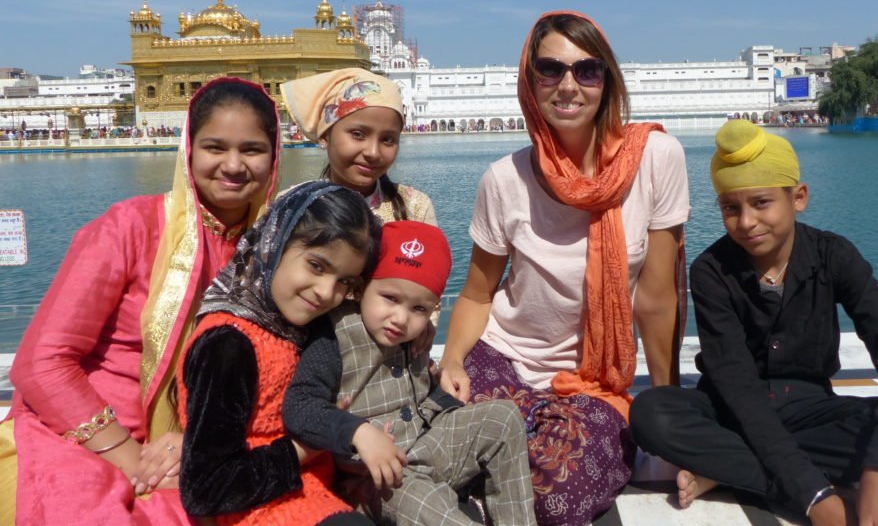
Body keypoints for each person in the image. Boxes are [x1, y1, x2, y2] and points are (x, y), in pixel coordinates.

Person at [438, 11, 690, 525]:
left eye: (587, 70)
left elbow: (658, 299)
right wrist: (453, 364)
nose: (569, 85)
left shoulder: (656, 158)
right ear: (530, 84)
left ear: (607, 80)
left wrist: (669, 412)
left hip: (592, 380)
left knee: (555, 495)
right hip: (503, 359)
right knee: (438, 456)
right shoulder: (503, 179)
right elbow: (479, 294)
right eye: (550, 70)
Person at [630, 119, 878, 525]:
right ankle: (785, 477)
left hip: (809, 407)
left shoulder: (834, 255)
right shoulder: (712, 271)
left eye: (761, 203)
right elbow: (736, 383)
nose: (746, 222)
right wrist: (814, 498)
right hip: (731, 410)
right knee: (652, 415)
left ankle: (728, 472)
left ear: (799, 197)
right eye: (731, 208)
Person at [1, 78, 280, 525]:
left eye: (251, 149)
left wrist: (193, 447)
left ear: (274, 155)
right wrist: (133, 461)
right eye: (215, 147)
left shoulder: (275, 250)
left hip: (199, 445)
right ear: (188, 148)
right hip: (89, 436)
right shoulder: (130, 227)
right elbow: (42, 363)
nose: (233, 165)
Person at [284, 220, 537, 526]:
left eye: (419, 308)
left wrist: (446, 403)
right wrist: (356, 431)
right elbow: (300, 405)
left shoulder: (413, 336)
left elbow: (421, 393)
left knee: (504, 416)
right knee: (435, 510)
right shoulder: (333, 334)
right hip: (379, 480)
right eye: (390, 298)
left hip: (426, 444)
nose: (400, 319)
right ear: (362, 287)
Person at [175, 181, 380, 525]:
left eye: (345, 281)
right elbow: (205, 488)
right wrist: (306, 448)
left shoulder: (298, 324)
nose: (326, 292)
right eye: (316, 266)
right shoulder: (228, 344)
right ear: (273, 244)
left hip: (318, 491)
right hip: (259, 511)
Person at [282, 68, 436, 225]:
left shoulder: (414, 208)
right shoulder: (291, 206)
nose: (373, 153)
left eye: (388, 139)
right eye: (358, 134)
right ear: (325, 136)